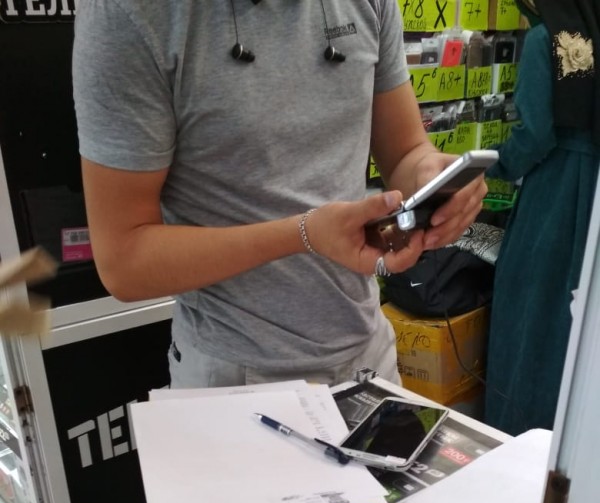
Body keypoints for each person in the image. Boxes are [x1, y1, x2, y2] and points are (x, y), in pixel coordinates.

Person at [72, 1, 487, 390]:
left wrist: (432, 178)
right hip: (234, 377)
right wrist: (303, 234)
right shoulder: (130, 13)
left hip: (368, 352)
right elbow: (123, 262)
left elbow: (405, 151)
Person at [484, 0, 600, 435]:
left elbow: (534, 136)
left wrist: (486, 165)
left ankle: (518, 435)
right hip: (593, 194)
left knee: (532, 311)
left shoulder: (544, 39)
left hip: (555, 193)